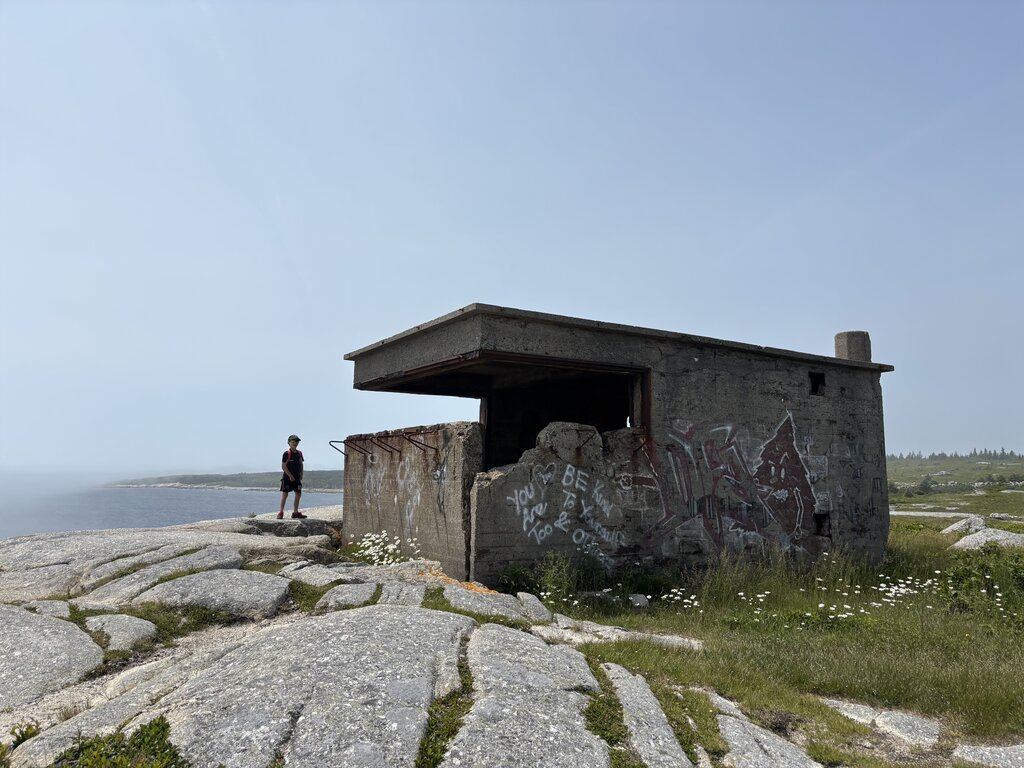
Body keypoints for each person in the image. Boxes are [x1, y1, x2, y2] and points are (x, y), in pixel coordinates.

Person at [278, 434, 307, 519]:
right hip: (287, 477)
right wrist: (290, 475)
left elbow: (301, 464)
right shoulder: (286, 453)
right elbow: (283, 466)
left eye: (296, 442)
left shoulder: (299, 453)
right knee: (285, 494)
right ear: (289, 443)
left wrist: (301, 474)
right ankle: (280, 512)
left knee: (298, 493)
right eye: (293, 442)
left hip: (297, 477)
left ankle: (295, 512)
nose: (295, 443)